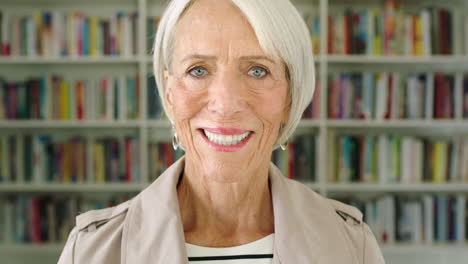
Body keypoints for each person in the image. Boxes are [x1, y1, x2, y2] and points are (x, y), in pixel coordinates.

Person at [58, 0, 385, 263]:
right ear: (170, 95)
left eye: (258, 70)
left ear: (289, 96)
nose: (226, 104)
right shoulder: (91, 251)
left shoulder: (351, 244)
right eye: (197, 70)